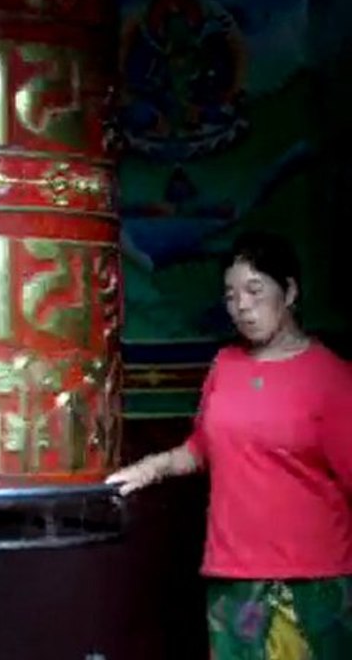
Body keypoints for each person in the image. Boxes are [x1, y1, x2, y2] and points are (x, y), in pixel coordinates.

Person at [107, 231, 352, 659]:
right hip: (231, 576)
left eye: (255, 291)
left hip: (311, 582)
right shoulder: (226, 365)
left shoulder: (330, 377)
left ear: (290, 291)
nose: (242, 305)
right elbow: (200, 448)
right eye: (231, 295)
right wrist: (149, 468)